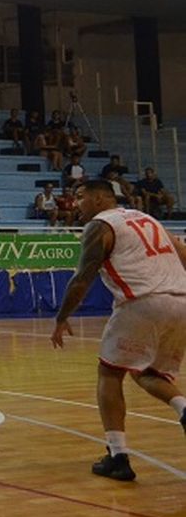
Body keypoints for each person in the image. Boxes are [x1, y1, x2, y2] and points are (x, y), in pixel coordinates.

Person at [50, 180, 186, 481]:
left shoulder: (101, 225)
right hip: (181, 301)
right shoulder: (149, 219)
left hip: (143, 301)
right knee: (148, 373)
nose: (76, 204)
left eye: (81, 197)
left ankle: (118, 456)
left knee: (110, 373)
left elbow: (82, 279)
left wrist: (61, 318)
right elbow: (184, 256)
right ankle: (183, 407)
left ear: (101, 199)